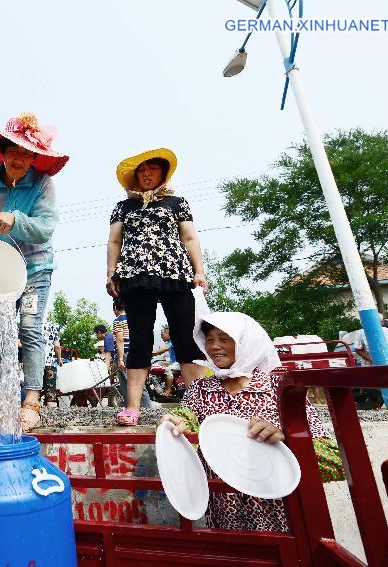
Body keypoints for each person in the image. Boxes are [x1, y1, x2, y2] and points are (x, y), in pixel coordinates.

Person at [160, 312, 344, 532]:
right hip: (224, 513)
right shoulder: (200, 389)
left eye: (225, 339)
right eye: (209, 340)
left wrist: (287, 439)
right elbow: (187, 418)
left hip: (279, 511)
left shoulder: (281, 390)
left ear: (247, 342)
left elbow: (334, 461)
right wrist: (178, 422)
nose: (215, 346)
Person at [0, 112, 68, 432]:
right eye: (15, 151)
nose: (21, 159)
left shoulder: (42, 185)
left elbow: (44, 228)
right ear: (3, 151)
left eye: (28, 153)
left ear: (35, 157)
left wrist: (14, 219)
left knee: (28, 328)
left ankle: (32, 400)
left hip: (36, 269)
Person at [106, 148, 207, 426]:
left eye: (152, 168)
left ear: (162, 173)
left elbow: (189, 237)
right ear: (135, 176)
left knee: (185, 337)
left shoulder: (177, 202)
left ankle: (198, 406)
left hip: (175, 272)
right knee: (140, 339)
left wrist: (199, 271)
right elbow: (115, 242)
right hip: (135, 275)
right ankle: (133, 407)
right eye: (142, 170)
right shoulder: (123, 207)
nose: (147, 173)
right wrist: (111, 273)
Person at [42, 320, 62, 408]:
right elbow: (57, 346)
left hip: (34, 362)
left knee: (35, 391)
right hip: (50, 363)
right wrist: (59, 360)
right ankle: (52, 418)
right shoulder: (53, 326)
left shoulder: (32, 324)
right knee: (51, 393)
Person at [151, 327, 177, 397]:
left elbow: (165, 349)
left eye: (162, 334)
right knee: (156, 364)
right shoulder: (169, 342)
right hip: (174, 363)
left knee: (168, 369)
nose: (161, 336)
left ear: (168, 334)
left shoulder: (173, 340)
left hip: (179, 363)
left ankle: (168, 391)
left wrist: (151, 354)